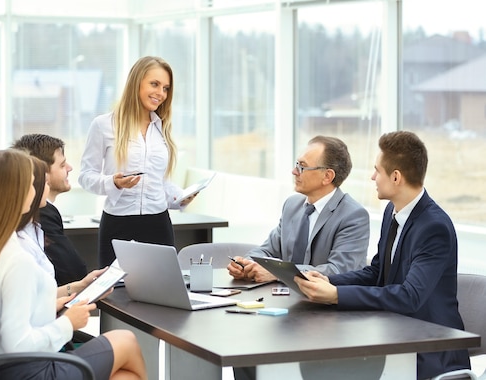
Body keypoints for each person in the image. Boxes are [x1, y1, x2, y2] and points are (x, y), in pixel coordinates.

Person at [294, 131, 470, 380]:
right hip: (393, 335)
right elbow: (377, 272)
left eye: (377, 170)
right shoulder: (392, 212)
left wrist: (337, 296)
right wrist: (328, 281)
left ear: (396, 177)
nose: (373, 177)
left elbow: (410, 296)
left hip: (428, 349)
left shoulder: (434, 227)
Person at [0, 148, 147, 379]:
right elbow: (16, 344)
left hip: (6, 368)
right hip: (30, 371)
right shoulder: (17, 261)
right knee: (126, 339)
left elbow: (4, 313)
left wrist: (51, 304)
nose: (36, 189)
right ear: (15, 193)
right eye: (32, 184)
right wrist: (68, 323)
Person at [79, 56, 195, 267]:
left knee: (161, 291)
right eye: (155, 84)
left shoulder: (162, 128)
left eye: (166, 88)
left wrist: (180, 197)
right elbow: (86, 176)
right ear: (136, 82)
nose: (161, 93)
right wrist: (113, 182)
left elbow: (160, 182)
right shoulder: (103, 125)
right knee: (113, 293)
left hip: (158, 222)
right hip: (118, 223)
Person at [227, 135, 370, 283]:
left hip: (325, 303)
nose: (294, 171)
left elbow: (339, 270)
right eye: (297, 164)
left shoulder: (353, 215)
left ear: (327, 176)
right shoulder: (292, 205)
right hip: (284, 298)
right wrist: (246, 264)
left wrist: (279, 273)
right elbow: (268, 250)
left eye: (302, 166)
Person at [12, 134, 87, 286]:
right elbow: (73, 272)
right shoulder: (43, 213)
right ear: (42, 172)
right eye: (62, 165)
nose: (70, 168)